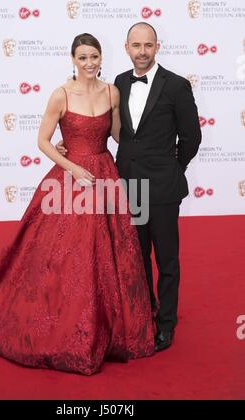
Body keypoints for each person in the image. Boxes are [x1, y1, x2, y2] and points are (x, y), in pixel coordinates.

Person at [0, 33, 155, 376]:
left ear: (101, 57)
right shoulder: (61, 94)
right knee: (67, 254)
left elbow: (116, 135)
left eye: (94, 56)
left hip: (105, 175)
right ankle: (68, 325)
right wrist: (72, 167)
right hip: (72, 177)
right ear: (72, 59)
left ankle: (112, 327)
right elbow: (42, 140)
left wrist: (151, 141)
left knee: (113, 250)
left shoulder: (112, 91)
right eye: (82, 58)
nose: (89, 63)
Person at [57, 24, 202, 352]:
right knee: (135, 255)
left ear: (157, 46)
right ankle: (145, 315)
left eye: (147, 45)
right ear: (126, 47)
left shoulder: (177, 86)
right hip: (129, 184)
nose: (142, 51)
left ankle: (166, 324)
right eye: (136, 45)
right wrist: (64, 142)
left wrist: (173, 168)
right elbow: (102, 127)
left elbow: (191, 137)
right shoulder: (118, 83)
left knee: (167, 259)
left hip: (163, 187)